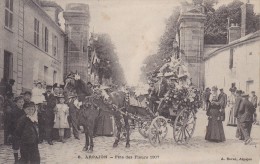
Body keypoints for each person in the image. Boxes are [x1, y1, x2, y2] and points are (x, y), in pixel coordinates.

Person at [8, 96, 25, 163]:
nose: (21, 103)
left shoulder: (24, 110)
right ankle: (16, 160)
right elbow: (10, 123)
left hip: (23, 131)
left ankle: (22, 159)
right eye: (19, 102)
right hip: (15, 131)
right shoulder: (13, 111)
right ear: (16, 103)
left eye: (22, 102)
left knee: (23, 145)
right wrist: (10, 133)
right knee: (15, 146)